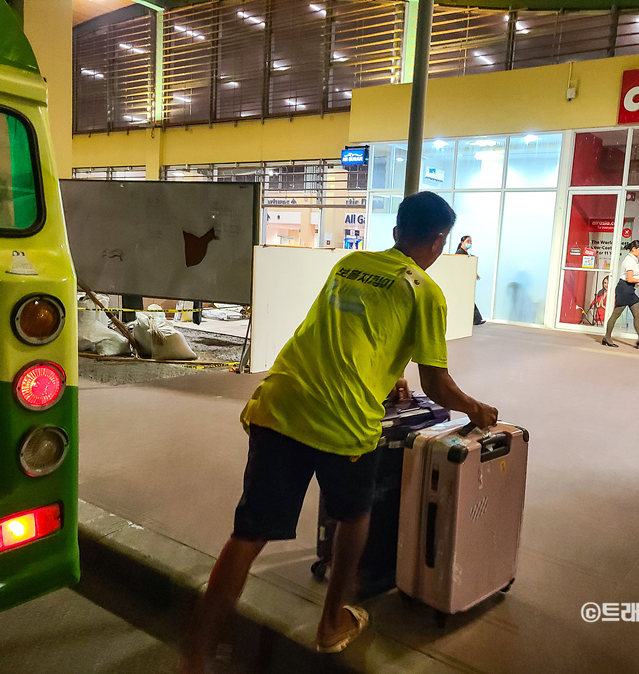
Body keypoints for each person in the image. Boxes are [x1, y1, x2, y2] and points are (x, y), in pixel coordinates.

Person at [180, 192, 498, 673]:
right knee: (355, 513)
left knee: (246, 535)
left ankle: (194, 659)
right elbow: (436, 383)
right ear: (439, 240)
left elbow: (347, 329)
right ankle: (331, 624)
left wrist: (387, 373)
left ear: (395, 233)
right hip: (343, 422)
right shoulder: (426, 292)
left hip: (280, 401)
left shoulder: (350, 264)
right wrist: (477, 407)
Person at [601, 240, 639, 349]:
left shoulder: (634, 260)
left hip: (630, 290)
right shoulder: (629, 261)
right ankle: (607, 337)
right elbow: (630, 279)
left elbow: (635, 280)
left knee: (637, 315)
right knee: (616, 314)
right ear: (634, 249)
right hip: (624, 289)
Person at [455, 235, 485, 325]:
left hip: (465, 281)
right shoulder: (460, 253)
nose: (470, 243)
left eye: (470, 241)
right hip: (462, 281)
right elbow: (462, 267)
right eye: (468, 241)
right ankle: (476, 319)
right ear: (462, 242)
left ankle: (476, 319)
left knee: (468, 299)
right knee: (468, 299)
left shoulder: (466, 254)